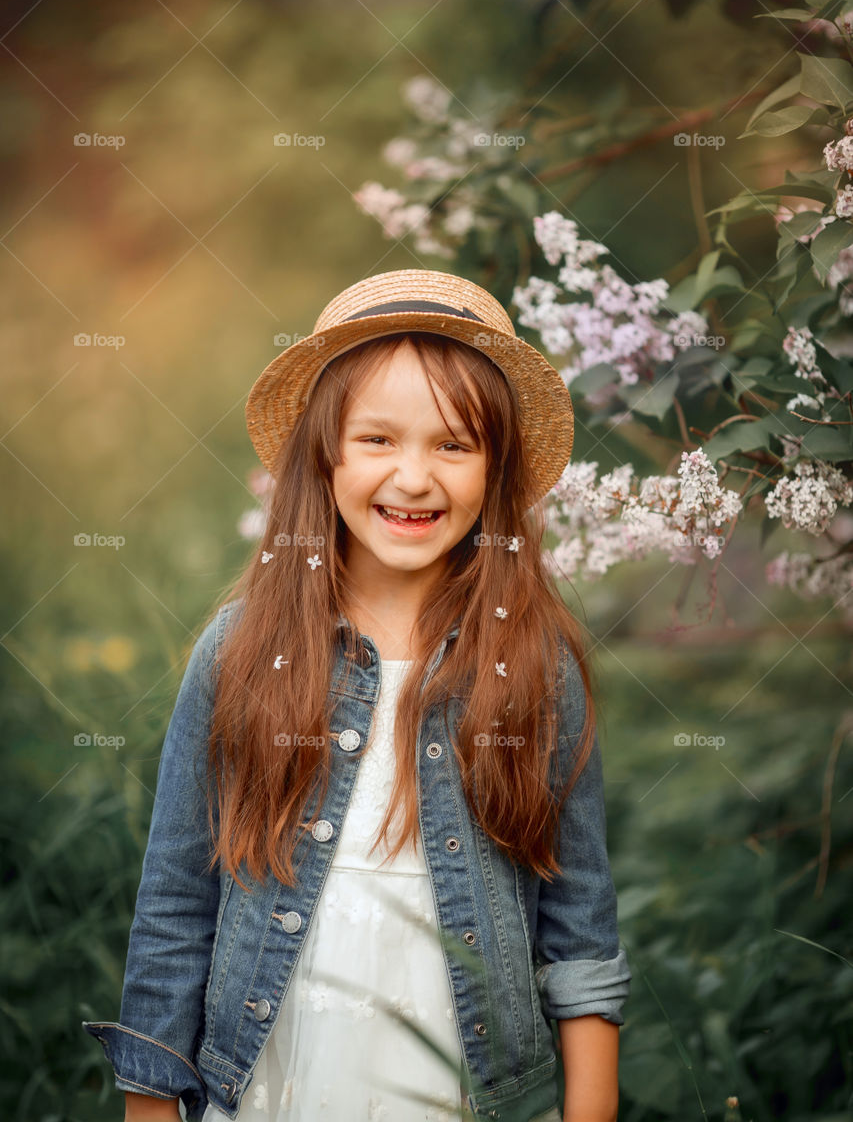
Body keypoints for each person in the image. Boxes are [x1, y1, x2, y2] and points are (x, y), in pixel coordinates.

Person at [83, 269, 631, 1122]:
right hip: (279, 1073)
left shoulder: (533, 664)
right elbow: (175, 902)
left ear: (495, 472)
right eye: (377, 439)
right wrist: (151, 1105)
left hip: (461, 1085)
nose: (413, 478)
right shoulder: (239, 653)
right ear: (324, 454)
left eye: (453, 445)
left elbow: (580, 923)